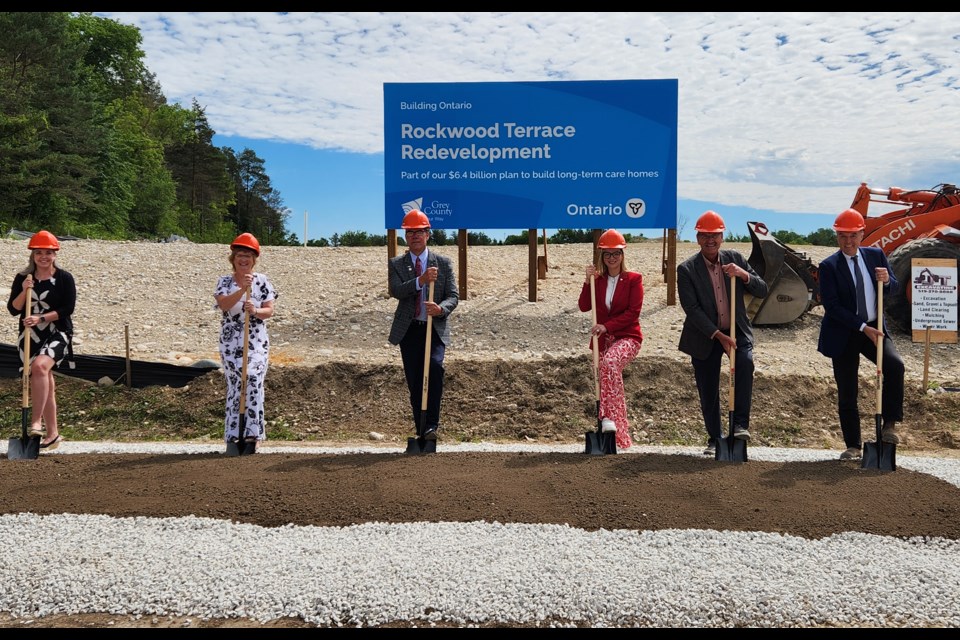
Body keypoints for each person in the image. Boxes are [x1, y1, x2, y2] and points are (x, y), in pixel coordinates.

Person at [677, 211, 769, 455]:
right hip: (704, 335)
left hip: (736, 331)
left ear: (722, 236)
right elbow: (692, 310)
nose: (711, 240)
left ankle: (739, 426)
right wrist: (718, 335)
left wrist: (743, 274)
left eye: (715, 235)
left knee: (745, 364)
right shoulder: (686, 270)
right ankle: (714, 437)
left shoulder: (735, 258)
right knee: (708, 388)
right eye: (705, 235)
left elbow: (762, 289)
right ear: (697, 238)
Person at [817, 208, 905, 461]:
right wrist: (862, 327)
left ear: (862, 234)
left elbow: (894, 288)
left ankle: (889, 425)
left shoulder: (875, 256)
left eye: (853, 235)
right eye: (843, 236)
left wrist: (887, 280)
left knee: (895, 365)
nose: (848, 241)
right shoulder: (829, 266)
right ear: (837, 236)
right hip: (844, 332)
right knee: (847, 389)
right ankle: (853, 445)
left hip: (874, 328)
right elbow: (832, 307)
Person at [388, 209, 459, 440]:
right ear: (405, 236)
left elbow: (453, 296)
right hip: (409, 331)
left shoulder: (443, 263)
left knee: (435, 369)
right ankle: (420, 427)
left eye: (419, 232)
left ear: (428, 234)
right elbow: (396, 291)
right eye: (410, 233)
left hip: (434, 328)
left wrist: (440, 309)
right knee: (415, 378)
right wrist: (421, 280)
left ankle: (431, 426)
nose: (414, 237)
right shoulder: (397, 263)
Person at [6, 230, 77, 450]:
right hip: (30, 336)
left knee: (40, 366)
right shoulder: (23, 278)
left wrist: (41, 318)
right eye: (39, 253)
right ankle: (53, 434)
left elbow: (68, 308)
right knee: (44, 378)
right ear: (32, 255)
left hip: (57, 332)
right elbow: (13, 309)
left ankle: (36, 422)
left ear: (55, 254)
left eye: (48, 252)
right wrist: (24, 291)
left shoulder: (64, 278)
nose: (43, 257)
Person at [577, 229, 644, 450]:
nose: (612, 258)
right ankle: (618, 436)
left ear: (623, 254)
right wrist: (588, 282)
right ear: (602, 257)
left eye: (616, 253)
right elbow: (584, 306)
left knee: (610, 363)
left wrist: (607, 326)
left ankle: (607, 417)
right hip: (602, 340)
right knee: (607, 380)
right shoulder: (598, 279)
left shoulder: (634, 279)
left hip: (627, 336)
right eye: (607, 254)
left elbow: (633, 313)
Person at [214, 233, 277, 451]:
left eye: (248, 256)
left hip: (256, 339)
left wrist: (256, 309)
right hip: (231, 341)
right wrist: (242, 291)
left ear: (254, 260)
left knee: (253, 380)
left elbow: (269, 310)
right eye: (240, 255)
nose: (244, 259)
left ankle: (253, 433)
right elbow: (223, 305)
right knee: (235, 385)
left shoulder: (263, 281)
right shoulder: (224, 282)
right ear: (233, 258)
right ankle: (233, 434)